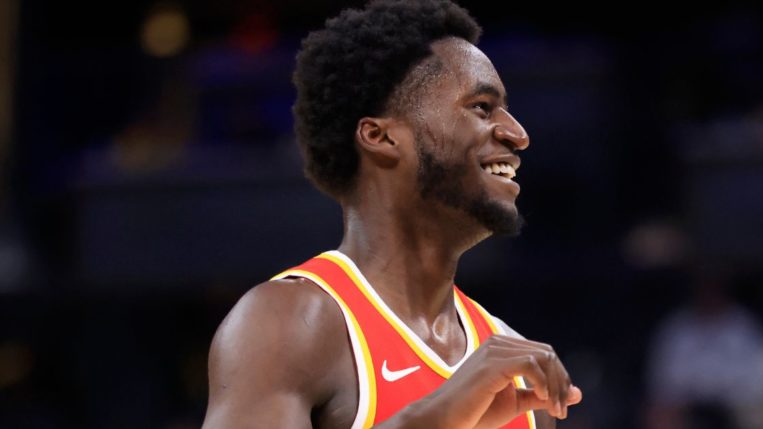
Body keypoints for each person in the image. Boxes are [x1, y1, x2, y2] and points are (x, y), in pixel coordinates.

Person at [202, 1, 582, 428]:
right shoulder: (289, 324)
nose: (518, 134)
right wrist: (437, 416)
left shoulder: (512, 367)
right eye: (481, 107)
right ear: (380, 136)